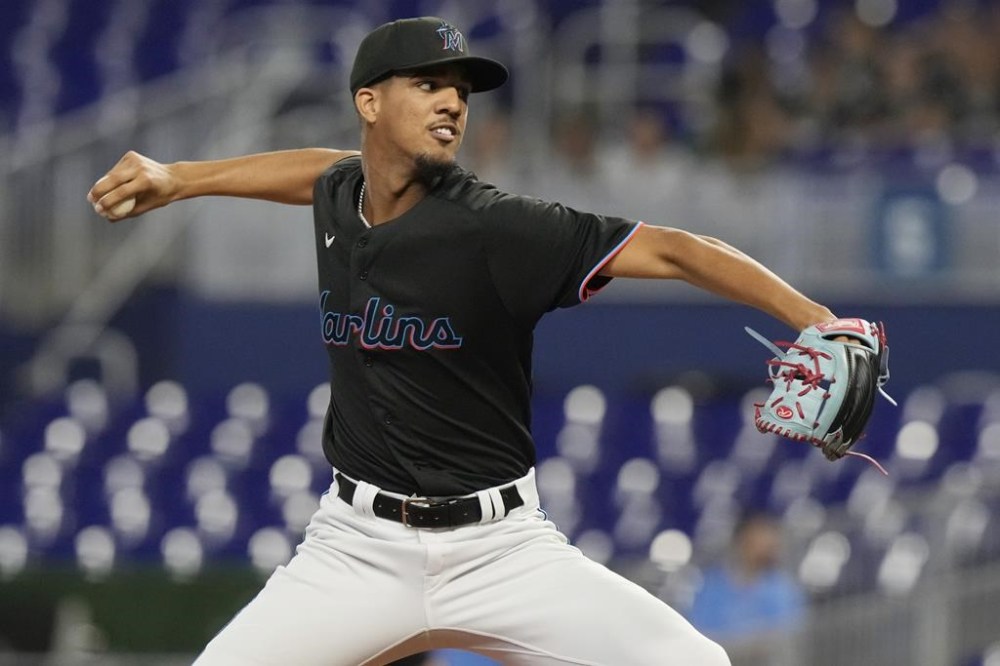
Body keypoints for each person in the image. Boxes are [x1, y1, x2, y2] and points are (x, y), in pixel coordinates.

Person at [87, 16, 844, 666]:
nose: (453, 100)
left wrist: (811, 316)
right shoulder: (343, 196)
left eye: (461, 90)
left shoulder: (497, 227)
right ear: (369, 102)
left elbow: (677, 249)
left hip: (501, 549)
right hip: (354, 547)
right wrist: (181, 178)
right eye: (428, 83)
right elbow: (319, 170)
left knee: (693, 662)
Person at [688, 512, 807, 663]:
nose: (766, 548)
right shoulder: (713, 585)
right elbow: (701, 631)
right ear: (742, 542)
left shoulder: (782, 588)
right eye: (758, 542)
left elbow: (787, 633)